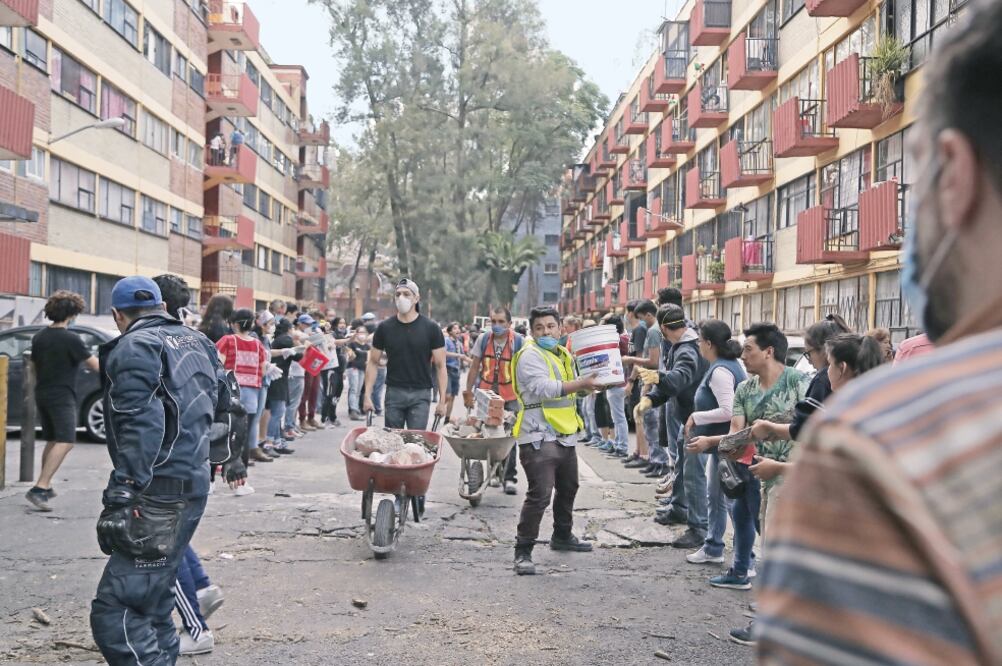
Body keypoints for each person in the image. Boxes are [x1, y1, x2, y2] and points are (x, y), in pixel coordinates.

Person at [90, 277, 219, 665]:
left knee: (118, 611)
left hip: (159, 492)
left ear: (117, 315)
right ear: (162, 305)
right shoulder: (200, 342)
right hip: (191, 484)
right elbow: (226, 411)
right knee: (154, 599)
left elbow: (140, 425)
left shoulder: (135, 346)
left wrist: (122, 495)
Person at [687, 323, 807, 594]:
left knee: (773, 535)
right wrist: (719, 444)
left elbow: (807, 428)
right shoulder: (744, 389)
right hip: (752, 468)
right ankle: (741, 571)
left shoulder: (798, 383)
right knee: (741, 516)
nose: (742, 355)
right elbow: (737, 433)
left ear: (768, 351)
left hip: (786, 473)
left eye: (749, 349)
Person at [511, 305, 603, 575]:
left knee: (569, 487)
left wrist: (589, 388)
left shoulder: (562, 354)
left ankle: (562, 535)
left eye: (550, 326)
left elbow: (571, 392)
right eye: (539, 328)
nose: (545, 332)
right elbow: (544, 389)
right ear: (531, 331)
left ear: (560, 328)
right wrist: (581, 384)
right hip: (538, 435)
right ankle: (523, 551)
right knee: (540, 495)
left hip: (564, 435)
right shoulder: (530, 355)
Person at [23, 291, 100, 511]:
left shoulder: (40, 337)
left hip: (43, 393)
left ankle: (43, 484)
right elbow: (94, 365)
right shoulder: (70, 339)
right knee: (66, 440)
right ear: (72, 314)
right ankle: (40, 487)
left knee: (53, 438)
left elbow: (34, 367)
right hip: (62, 394)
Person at [636, 304, 707, 540]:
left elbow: (678, 379)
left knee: (693, 475)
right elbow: (670, 386)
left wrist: (658, 377)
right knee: (681, 468)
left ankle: (698, 527)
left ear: (664, 327)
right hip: (688, 416)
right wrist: (650, 399)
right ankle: (679, 509)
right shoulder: (680, 345)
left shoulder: (687, 349)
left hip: (697, 419)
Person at [682, 320, 746, 566]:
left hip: (726, 444)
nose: (698, 345)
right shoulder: (727, 365)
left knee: (729, 502)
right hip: (722, 445)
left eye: (700, 341)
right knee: (717, 497)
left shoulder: (720, 370)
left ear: (709, 343)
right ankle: (714, 546)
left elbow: (729, 410)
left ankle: (743, 558)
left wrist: (697, 416)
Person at [749, 314, 849, 444]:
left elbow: (804, 428)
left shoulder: (823, 379)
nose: (809, 360)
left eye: (809, 353)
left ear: (824, 350)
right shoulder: (852, 374)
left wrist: (770, 427)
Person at [364, 278, 448, 430]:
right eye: (398, 294)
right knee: (392, 442)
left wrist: (442, 401)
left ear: (416, 298)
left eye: (406, 294)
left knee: (415, 443)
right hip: (394, 392)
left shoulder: (431, 328)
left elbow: (441, 366)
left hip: (420, 394)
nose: (401, 298)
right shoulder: (385, 328)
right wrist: (367, 395)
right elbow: (373, 362)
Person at [464, 306, 525, 494]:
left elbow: (524, 370)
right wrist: (468, 392)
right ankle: (493, 471)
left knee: (508, 437)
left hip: (510, 396)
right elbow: (475, 367)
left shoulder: (519, 342)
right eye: (493, 321)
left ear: (509, 323)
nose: (496, 325)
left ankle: (509, 478)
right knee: (487, 433)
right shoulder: (484, 339)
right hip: (486, 395)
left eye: (501, 322)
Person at [216, 309, 271, 464]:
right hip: (252, 394)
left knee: (227, 429)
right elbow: (263, 370)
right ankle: (242, 468)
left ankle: (223, 462)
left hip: (231, 392)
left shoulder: (227, 341)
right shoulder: (258, 344)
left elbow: (217, 363)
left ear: (234, 324)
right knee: (244, 432)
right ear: (252, 324)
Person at [622, 300, 667, 477]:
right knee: (648, 423)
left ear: (648, 315)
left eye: (642, 318)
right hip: (649, 381)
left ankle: (659, 461)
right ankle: (655, 460)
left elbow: (654, 362)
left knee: (652, 423)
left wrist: (631, 360)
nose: (641, 322)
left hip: (653, 382)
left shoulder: (654, 331)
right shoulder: (651, 330)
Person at [266, 319, 301, 452]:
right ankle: (270, 442)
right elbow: (299, 357)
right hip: (278, 378)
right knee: (278, 412)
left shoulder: (278, 339)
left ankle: (277, 441)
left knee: (277, 412)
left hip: (276, 377)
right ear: (289, 329)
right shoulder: (286, 340)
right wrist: (298, 343)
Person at [443, 322, 467, 423]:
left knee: (452, 396)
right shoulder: (446, 341)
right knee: (447, 395)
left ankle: (447, 418)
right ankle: (439, 409)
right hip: (447, 370)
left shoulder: (459, 343)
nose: (458, 330)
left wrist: (477, 364)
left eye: (458, 328)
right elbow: (444, 353)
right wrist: (457, 355)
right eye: (454, 328)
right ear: (449, 331)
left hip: (456, 372)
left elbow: (464, 357)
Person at [345, 325, 371, 421]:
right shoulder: (352, 344)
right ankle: (353, 410)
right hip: (353, 368)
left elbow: (369, 359)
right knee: (353, 389)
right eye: (360, 332)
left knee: (359, 391)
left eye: (364, 333)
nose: (362, 335)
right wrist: (350, 353)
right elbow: (350, 356)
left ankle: (356, 409)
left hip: (362, 369)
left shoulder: (367, 346)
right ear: (356, 334)